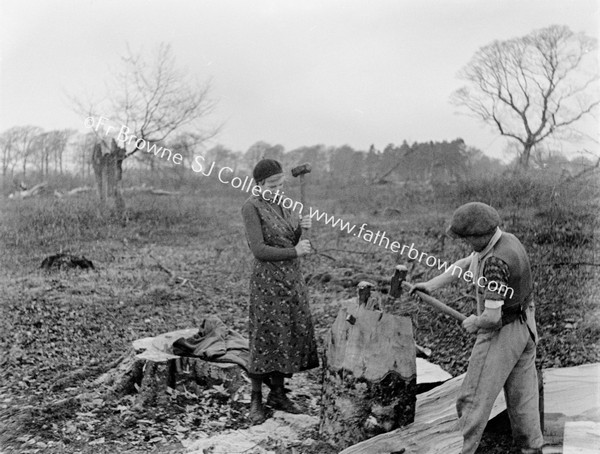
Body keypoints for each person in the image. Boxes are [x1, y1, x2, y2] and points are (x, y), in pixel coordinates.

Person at [410, 202, 544, 454]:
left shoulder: (495, 263)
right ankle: (532, 448)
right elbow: (466, 263)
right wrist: (431, 284)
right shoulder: (506, 239)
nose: (466, 243)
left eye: (468, 239)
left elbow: (492, 318)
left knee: (472, 399)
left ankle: (460, 450)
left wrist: (474, 321)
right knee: (523, 396)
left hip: (501, 332)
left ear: (480, 235)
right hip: (526, 325)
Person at [241, 158, 319, 424]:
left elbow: (290, 239)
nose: (278, 190)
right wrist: (294, 251)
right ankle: (255, 400)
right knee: (265, 338)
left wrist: (301, 230)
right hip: (267, 283)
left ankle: (278, 394)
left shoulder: (284, 205)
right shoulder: (251, 207)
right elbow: (259, 249)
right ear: (259, 185)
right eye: (272, 185)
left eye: (281, 184)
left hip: (291, 280)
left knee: (286, 336)